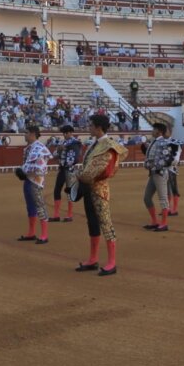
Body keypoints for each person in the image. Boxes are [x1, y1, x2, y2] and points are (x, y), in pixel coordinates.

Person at [75, 113, 126, 276]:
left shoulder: (108, 146)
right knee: (92, 223)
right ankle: (93, 259)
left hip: (99, 189)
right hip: (89, 187)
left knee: (105, 223)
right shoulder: (96, 144)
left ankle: (112, 262)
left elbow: (101, 169)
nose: (89, 128)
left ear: (98, 127)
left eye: (91, 125)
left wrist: (81, 176)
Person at [17, 125, 51, 244]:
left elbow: (41, 168)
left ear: (32, 134)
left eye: (26, 132)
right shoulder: (31, 148)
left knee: (40, 206)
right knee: (30, 207)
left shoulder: (39, 148)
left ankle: (44, 235)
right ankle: (31, 233)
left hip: (36, 182)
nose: (24, 135)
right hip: (29, 180)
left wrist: (23, 171)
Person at [141, 122, 174, 232]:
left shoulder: (163, 142)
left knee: (163, 199)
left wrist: (151, 165)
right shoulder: (154, 142)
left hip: (160, 173)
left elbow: (166, 159)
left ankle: (164, 223)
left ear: (159, 131)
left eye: (154, 129)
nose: (152, 131)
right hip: (153, 173)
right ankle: (155, 221)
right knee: (147, 198)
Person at [51, 125, 82, 222]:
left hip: (70, 170)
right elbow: (54, 155)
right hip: (62, 170)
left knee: (69, 192)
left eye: (66, 133)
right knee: (57, 190)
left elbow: (75, 158)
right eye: (63, 133)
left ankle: (69, 215)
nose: (64, 135)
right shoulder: (62, 142)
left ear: (70, 133)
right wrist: (59, 151)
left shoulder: (75, 143)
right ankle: (56, 215)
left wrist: (65, 163)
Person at [166, 137, 183, 216]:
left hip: (172, 170)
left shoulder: (176, 152)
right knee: (167, 190)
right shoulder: (175, 151)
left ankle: (174, 209)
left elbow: (174, 161)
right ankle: (167, 208)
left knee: (173, 190)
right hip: (167, 170)